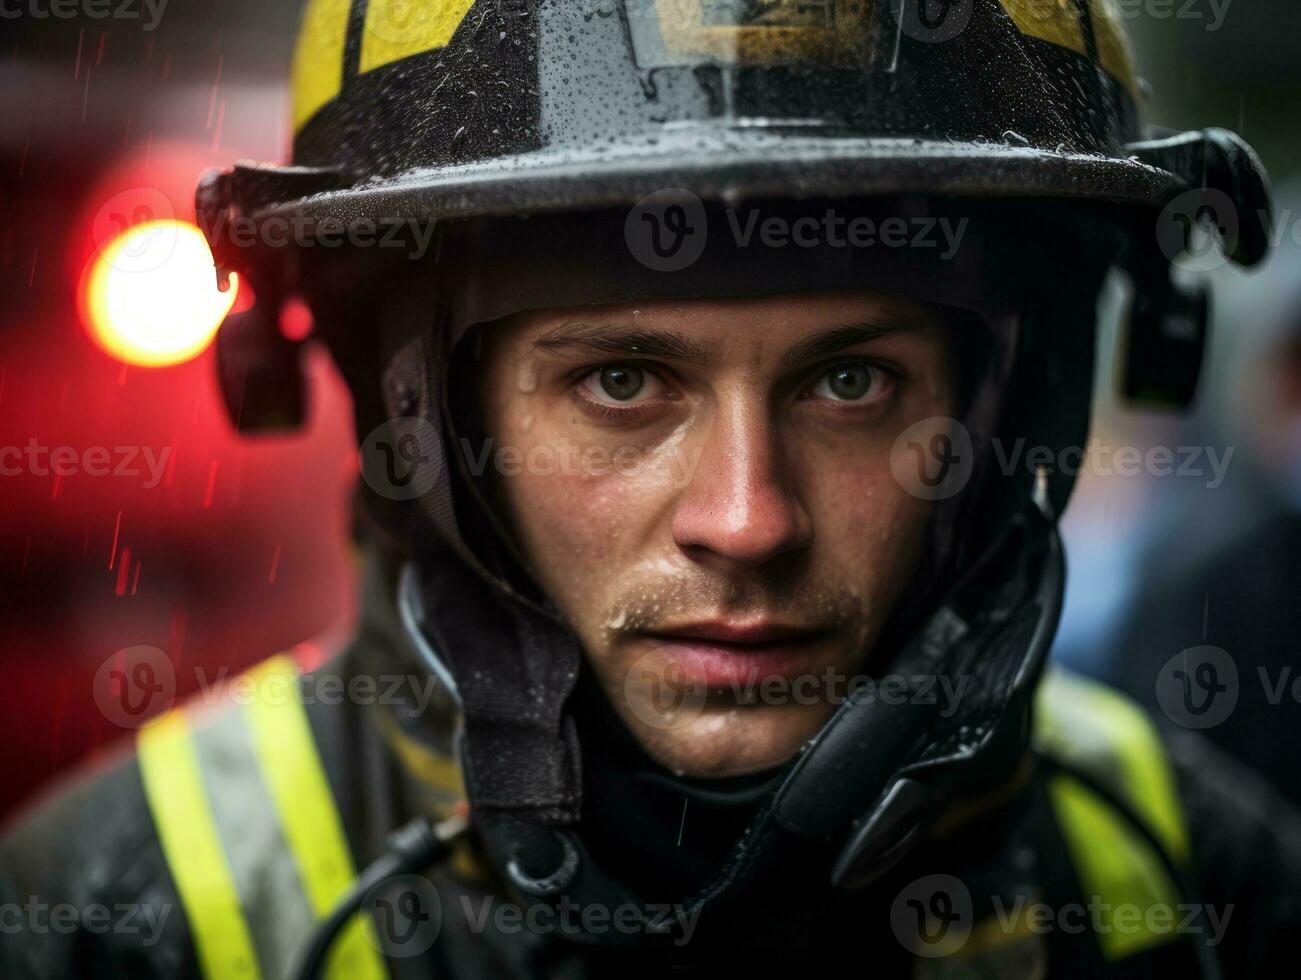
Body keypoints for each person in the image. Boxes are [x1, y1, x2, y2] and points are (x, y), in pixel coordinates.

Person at [3, 1, 1298, 977]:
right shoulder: (117, 909)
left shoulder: (1199, 876)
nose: (744, 521)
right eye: (622, 384)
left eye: (850, 385)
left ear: (1010, 402)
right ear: (426, 421)